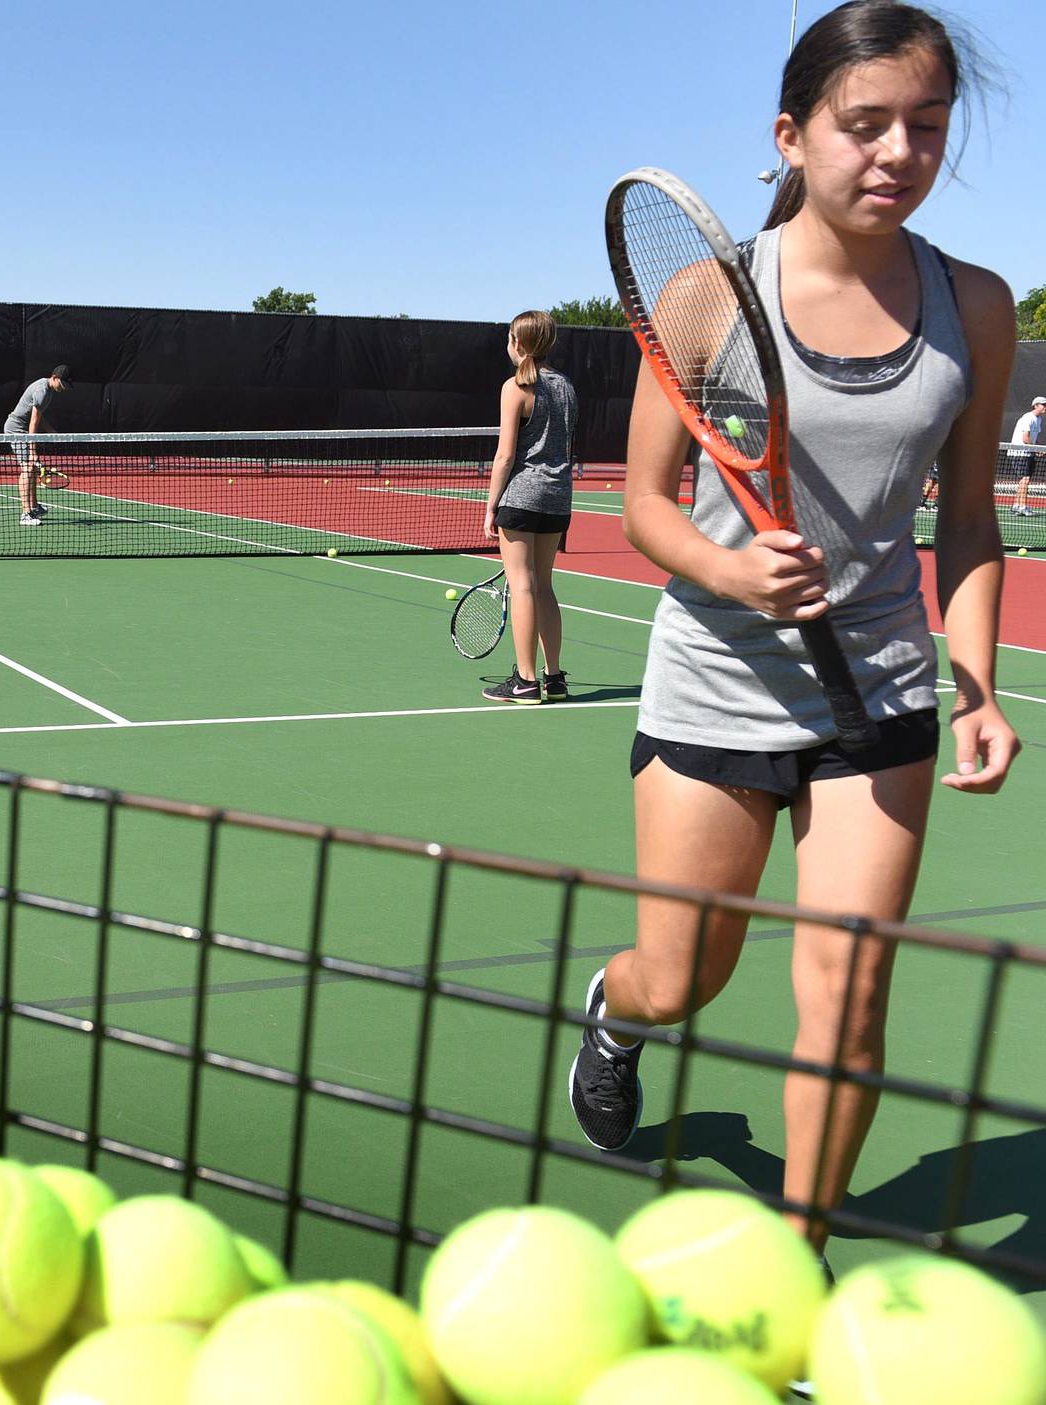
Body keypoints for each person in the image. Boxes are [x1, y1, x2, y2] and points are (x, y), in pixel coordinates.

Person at [566, 0, 1017, 1301]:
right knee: (683, 972)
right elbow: (646, 502)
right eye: (862, 123)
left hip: (876, 694)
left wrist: (974, 683)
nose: (896, 152)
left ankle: (795, 1275)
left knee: (851, 997)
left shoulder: (973, 308)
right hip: (712, 685)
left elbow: (972, 519)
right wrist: (726, 564)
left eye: (924, 127)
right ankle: (618, 1010)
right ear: (794, 133)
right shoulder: (707, 297)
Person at [480, 310, 577, 704]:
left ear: (517, 344)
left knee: (522, 584)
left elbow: (505, 457)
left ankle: (524, 680)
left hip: (521, 497)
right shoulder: (568, 386)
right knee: (544, 586)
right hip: (558, 497)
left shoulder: (515, 386)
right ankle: (554, 678)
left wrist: (490, 507)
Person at [6, 365, 70, 526]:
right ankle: (26, 513)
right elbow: (33, 423)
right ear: (55, 377)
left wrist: (50, 431)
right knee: (28, 467)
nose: (64, 388)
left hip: (23, 429)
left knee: (33, 468)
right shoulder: (42, 391)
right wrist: (33, 452)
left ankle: (34, 506)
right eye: (63, 383)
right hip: (16, 429)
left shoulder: (48, 390)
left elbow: (39, 416)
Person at [1008, 394, 1044, 516]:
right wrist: (1035, 449)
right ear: (1035, 406)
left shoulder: (1039, 420)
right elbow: (1025, 438)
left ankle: (1016, 505)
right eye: (1043, 405)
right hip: (1019, 453)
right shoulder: (1028, 418)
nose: (1045, 407)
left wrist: (1040, 448)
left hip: (1028, 453)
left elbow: (1035, 438)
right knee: (1025, 479)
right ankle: (1023, 507)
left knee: (1023, 480)